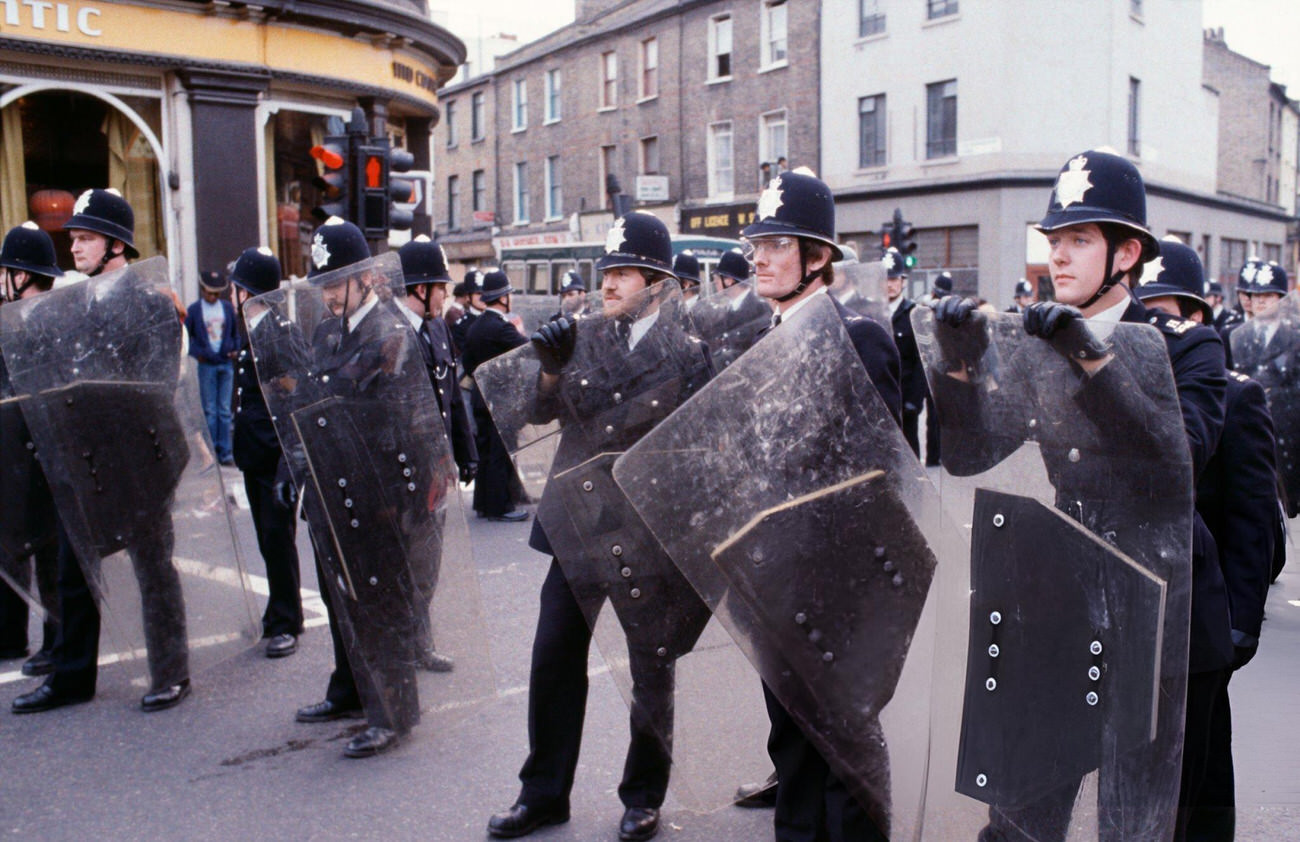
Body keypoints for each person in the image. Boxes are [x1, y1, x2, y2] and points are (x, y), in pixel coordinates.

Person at [928, 149, 1230, 841]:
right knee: (1023, 802)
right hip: (1065, 596)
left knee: (1138, 819)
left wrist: (1093, 358)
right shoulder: (1042, 337)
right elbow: (975, 451)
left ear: (1127, 254)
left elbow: (1175, 461)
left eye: (1079, 241)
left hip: (1158, 605)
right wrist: (960, 363)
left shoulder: (1188, 346)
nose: (1057, 258)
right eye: (1054, 241)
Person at [487, 211, 714, 842]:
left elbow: (697, 449)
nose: (608, 284)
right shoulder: (581, 336)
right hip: (577, 526)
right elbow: (536, 413)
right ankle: (542, 793)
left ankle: (643, 795)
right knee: (553, 655)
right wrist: (552, 366)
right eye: (605, 272)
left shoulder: (690, 352)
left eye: (622, 273)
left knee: (651, 667)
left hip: (646, 535)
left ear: (657, 283)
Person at [740, 168, 902, 841]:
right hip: (774, 578)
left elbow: (881, 472)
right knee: (792, 746)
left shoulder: (859, 335)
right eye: (758, 244)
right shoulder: (760, 337)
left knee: (846, 752)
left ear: (818, 257)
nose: (760, 257)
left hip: (839, 586)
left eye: (779, 244)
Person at [13, 189, 193, 714]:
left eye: (86, 238)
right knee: (73, 572)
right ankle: (72, 676)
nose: (75, 248)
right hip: (84, 458)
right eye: (74, 239)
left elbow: (157, 384)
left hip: (138, 460)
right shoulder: (72, 304)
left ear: (117, 245)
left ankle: (170, 670)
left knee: (154, 566)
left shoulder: (151, 303)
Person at [1135, 238, 1277, 839]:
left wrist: (1240, 623)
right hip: (1146, 608)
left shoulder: (1235, 392)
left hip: (1205, 615)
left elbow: (1255, 524)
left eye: (1166, 311)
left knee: (1200, 779)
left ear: (1194, 316)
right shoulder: (1133, 384)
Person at [283, 218, 435, 758]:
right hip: (331, 491)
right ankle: (349, 691)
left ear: (365, 280)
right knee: (340, 598)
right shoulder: (327, 331)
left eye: (335, 284)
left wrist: (402, 504)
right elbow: (305, 403)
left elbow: (409, 425)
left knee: (382, 604)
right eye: (321, 285)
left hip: (377, 494)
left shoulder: (390, 332)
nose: (327, 296)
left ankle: (392, 713)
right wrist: (292, 469)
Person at [397, 234, 479, 672]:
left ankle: (420, 642)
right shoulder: (390, 336)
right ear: (418, 289)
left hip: (436, 472)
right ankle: (400, 645)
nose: (447, 294)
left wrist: (465, 454)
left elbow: (451, 398)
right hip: (402, 475)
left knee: (427, 564)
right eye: (440, 286)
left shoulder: (438, 328)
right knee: (401, 566)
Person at [229, 246, 302, 659]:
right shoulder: (251, 331)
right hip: (255, 454)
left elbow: (292, 403)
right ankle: (279, 612)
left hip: (274, 458)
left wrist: (286, 466)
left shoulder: (279, 334)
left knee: (278, 539)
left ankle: (286, 622)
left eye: (236, 288)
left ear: (246, 292)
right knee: (266, 539)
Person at [0, 222, 63, 678]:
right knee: (10, 545)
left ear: (21, 275)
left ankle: (57, 640)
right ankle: (10, 633)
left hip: (41, 452)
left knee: (49, 550)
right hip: (11, 453)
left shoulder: (46, 321)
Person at [461, 269, 530, 522]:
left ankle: (483, 503)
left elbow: (468, 364)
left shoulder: (476, 326)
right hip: (500, 399)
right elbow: (527, 348)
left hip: (480, 397)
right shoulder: (501, 328)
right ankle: (501, 507)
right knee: (501, 452)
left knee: (486, 452)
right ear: (503, 298)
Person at [185, 270, 238, 466]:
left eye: (217, 293)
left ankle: (225, 451)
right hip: (206, 365)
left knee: (224, 409)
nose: (213, 297)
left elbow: (234, 333)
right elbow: (186, 337)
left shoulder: (226, 308)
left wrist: (233, 348)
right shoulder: (194, 310)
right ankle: (212, 452)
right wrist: (198, 352)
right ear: (202, 290)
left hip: (225, 362)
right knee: (210, 410)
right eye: (209, 292)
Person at [883, 247, 927, 458]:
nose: (890, 284)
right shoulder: (871, 310)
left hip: (905, 396)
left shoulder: (913, 314)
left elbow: (921, 361)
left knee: (909, 455)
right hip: (881, 396)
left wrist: (915, 401)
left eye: (894, 279)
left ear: (903, 281)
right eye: (885, 279)